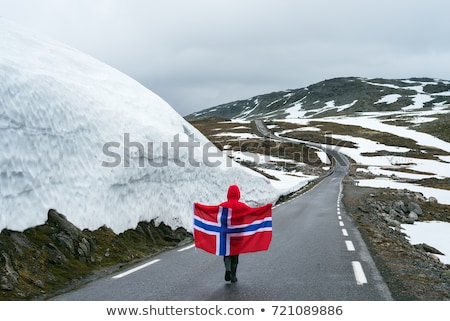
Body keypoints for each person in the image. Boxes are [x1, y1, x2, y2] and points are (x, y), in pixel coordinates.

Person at [219, 184, 251, 283]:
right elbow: (252, 213)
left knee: (227, 253)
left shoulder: (223, 206)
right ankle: (233, 275)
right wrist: (265, 209)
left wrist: (198, 208)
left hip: (226, 234)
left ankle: (227, 269)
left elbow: (214, 214)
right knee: (235, 255)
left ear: (228, 194)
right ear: (238, 194)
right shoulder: (242, 206)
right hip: (238, 235)